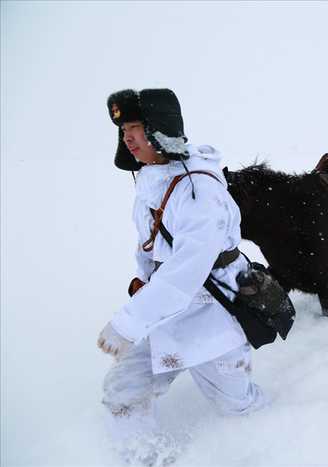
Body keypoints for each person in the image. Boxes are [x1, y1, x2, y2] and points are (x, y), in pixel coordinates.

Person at [98, 89, 265, 463]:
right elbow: (150, 248)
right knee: (123, 392)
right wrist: (142, 285)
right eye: (124, 129)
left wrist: (128, 323)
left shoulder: (197, 188)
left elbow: (185, 272)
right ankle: (148, 458)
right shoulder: (152, 179)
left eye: (137, 128)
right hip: (165, 311)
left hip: (213, 315)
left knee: (239, 408)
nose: (128, 137)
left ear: (160, 131)